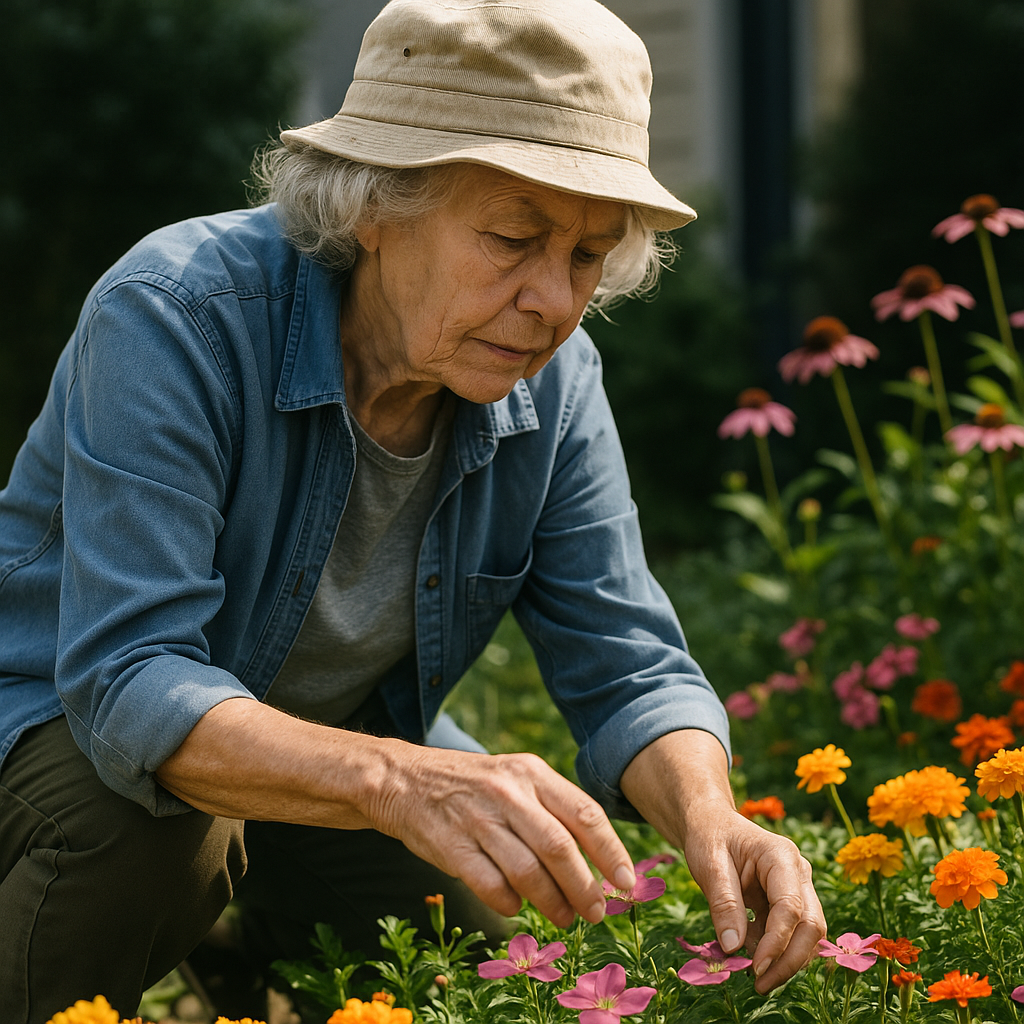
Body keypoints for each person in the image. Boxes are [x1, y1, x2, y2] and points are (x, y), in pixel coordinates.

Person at [0, 0, 826, 1019]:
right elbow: (131, 681)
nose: (552, 301)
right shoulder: (176, 315)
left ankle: (242, 949)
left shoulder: (556, 384)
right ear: (371, 207)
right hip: (49, 730)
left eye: (584, 255)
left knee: (492, 942)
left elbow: (626, 662)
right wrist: (402, 782)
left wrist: (716, 821)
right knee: (158, 821)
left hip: (324, 753)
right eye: (513, 237)